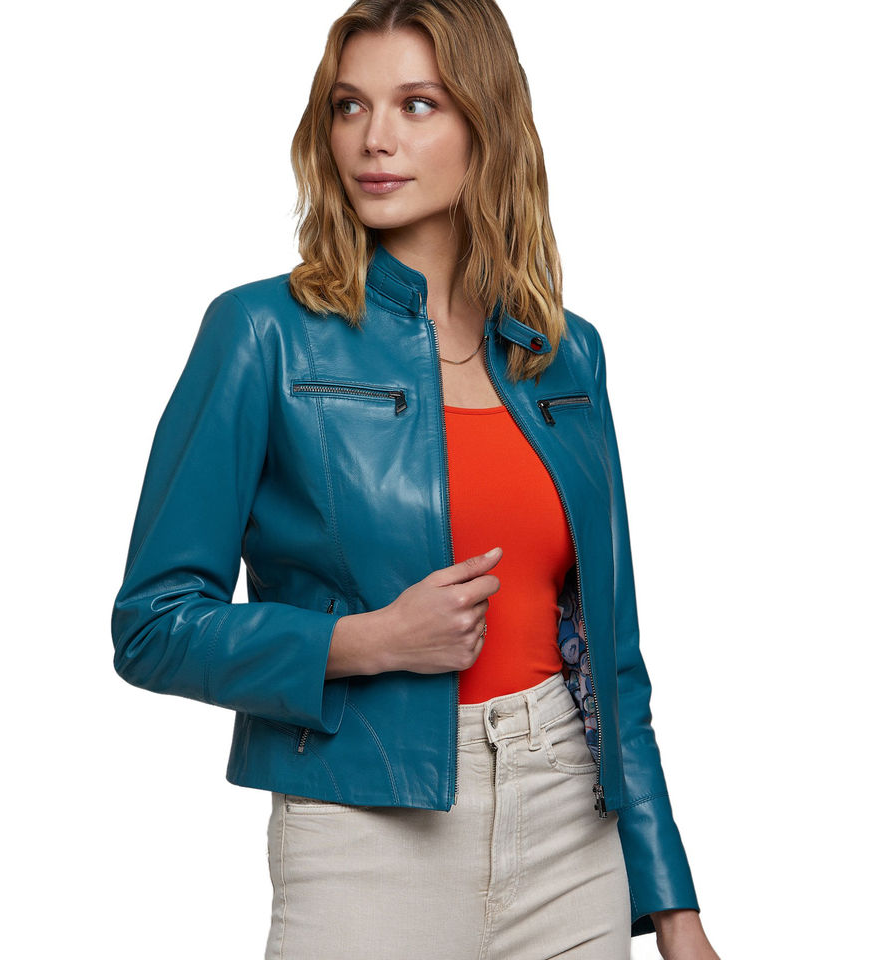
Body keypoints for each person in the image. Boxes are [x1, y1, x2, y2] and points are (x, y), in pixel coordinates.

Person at [111, 1, 721, 957]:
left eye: (418, 104)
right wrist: (366, 641)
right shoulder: (262, 334)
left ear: (487, 123)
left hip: (571, 822)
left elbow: (612, 654)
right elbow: (152, 625)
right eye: (349, 105)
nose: (375, 139)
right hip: (365, 832)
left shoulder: (565, 354)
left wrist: (674, 907)